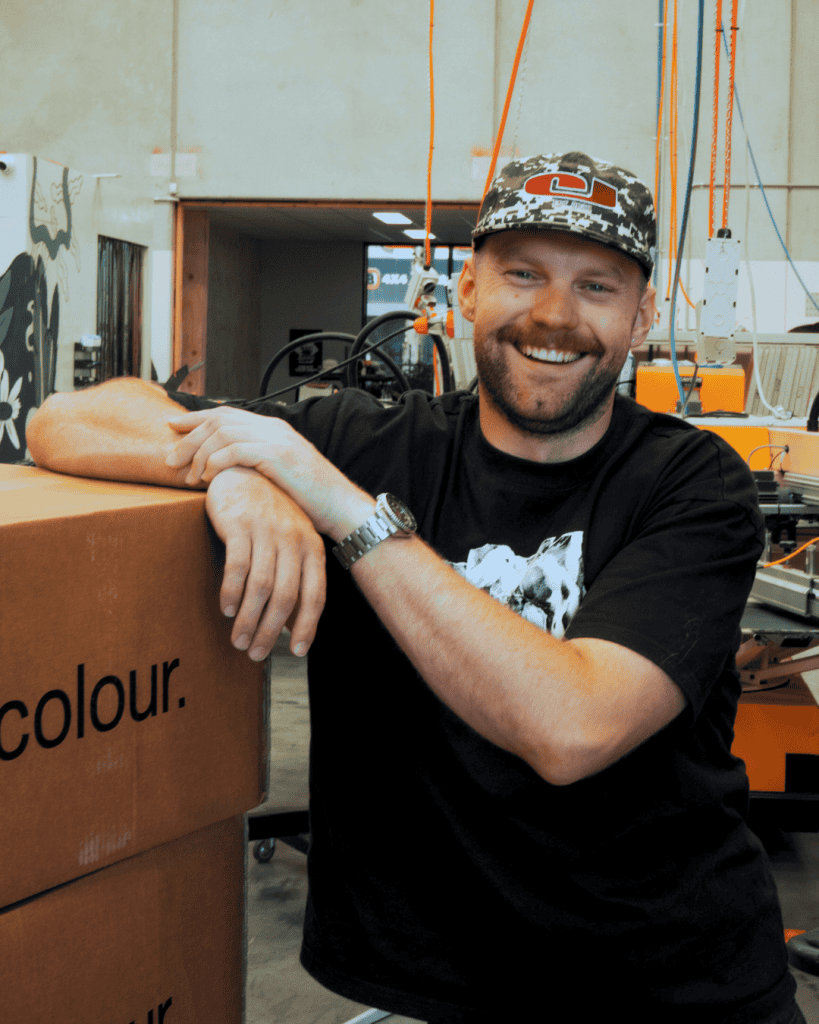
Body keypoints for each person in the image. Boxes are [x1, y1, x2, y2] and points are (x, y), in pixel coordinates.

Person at [28, 152, 803, 1023]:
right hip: (431, 987)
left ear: (642, 314)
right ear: (467, 288)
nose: (553, 315)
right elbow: (68, 417)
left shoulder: (692, 484)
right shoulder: (371, 442)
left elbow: (570, 727)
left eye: (596, 286)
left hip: (672, 989)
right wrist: (236, 473)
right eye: (522, 274)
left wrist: (331, 503)